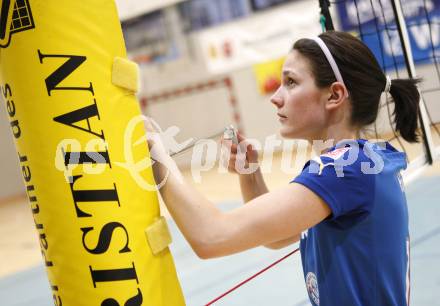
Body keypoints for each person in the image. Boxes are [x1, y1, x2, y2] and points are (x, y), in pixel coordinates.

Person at [145, 31, 420, 306]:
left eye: (290, 82)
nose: (275, 97)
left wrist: (155, 152)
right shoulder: (364, 161)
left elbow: (211, 236)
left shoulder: (346, 170)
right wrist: (250, 175)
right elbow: (278, 236)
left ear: (334, 95)